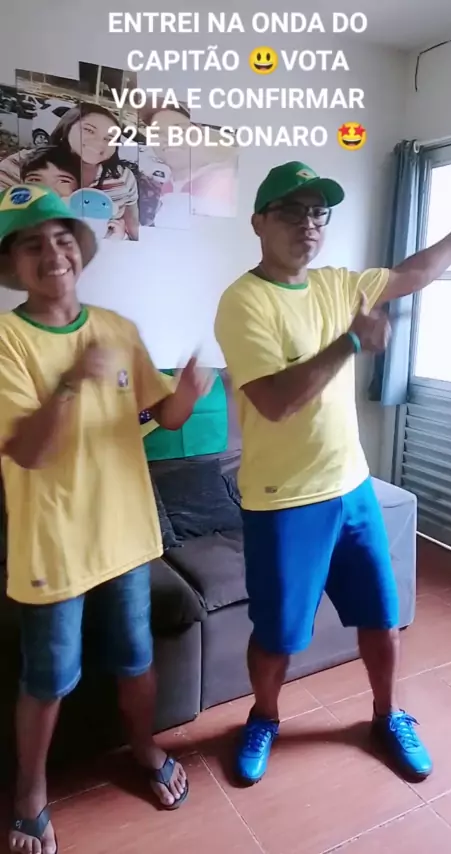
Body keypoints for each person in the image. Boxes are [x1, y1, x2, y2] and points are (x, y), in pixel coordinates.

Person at [214, 160, 451, 787]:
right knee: (278, 636)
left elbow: (414, 273)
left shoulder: (339, 284)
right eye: (291, 211)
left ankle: (389, 715)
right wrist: (351, 343)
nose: (307, 224)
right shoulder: (243, 301)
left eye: (317, 213)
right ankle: (264, 717)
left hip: (352, 488)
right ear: (258, 222)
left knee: (382, 618)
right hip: (283, 502)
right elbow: (275, 401)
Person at [0, 183, 211, 854]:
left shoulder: (118, 328)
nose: (52, 254)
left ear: (80, 250)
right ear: (14, 264)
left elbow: (162, 415)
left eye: (62, 239)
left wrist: (188, 393)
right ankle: (30, 794)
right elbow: (27, 450)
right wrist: (72, 381)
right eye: (32, 245)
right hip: (53, 545)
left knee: (136, 660)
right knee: (46, 681)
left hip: (127, 537)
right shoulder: (7, 341)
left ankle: (144, 749)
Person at [0, 104, 139, 239]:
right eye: (89, 130)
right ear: (66, 129)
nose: (99, 142)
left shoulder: (123, 176)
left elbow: (132, 221)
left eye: (110, 138)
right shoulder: (19, 164)